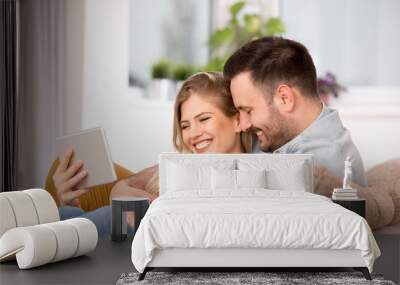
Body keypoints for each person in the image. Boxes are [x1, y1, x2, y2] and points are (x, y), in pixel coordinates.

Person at [53, 72, 252, 234]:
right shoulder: (177, 167)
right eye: (185, 125)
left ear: (237, 120)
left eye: (204, 119)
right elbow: (120, 189)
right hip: (112, 239)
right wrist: (151, 204)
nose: (193, 134)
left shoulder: (254, 173)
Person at [223, 36, 367, 187]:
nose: (244, 125)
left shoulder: (319, 166)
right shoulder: (285, 136)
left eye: (248, 111)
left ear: (284, 98)